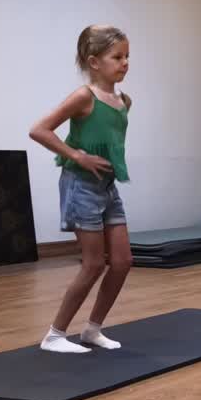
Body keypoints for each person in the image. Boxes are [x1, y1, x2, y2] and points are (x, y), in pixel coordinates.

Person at [29, 25, 134, 354]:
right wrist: (77, 155)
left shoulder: (123, 101)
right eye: (117, 57)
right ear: (93, 62)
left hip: (107, 186)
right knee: (93, 264)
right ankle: (55, 335)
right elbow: (39, 130)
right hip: (80, 185)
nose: (125, 63)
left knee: (122, 261)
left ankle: (92, 329)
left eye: (127, 56)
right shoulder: (83, 97)